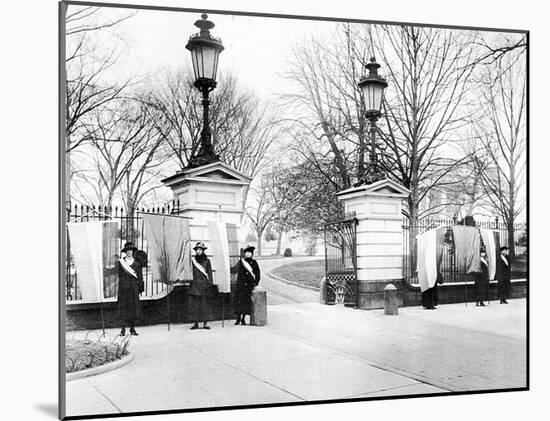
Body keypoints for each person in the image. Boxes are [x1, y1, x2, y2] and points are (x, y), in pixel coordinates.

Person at [118, 242, 144, 336]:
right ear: (125, 252)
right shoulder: (121, 263)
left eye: (131, 250)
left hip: (133, 289)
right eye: (128, 250)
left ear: (133, 252)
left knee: (133, 308)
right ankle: (123, 329)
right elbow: (119, 275)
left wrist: (140, 287)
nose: (129, 252)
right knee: (124, 308)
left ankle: (132, 329)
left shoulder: (137, 263)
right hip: (124, 288)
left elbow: (140, 277)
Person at [232, 245, 261, 325]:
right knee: (239, 302)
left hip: (248, 286)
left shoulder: (254, 263)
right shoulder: (241, 262)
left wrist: (255, 283)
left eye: (249, 252)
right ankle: (238, 318)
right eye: (247, 252)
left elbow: (257, 274)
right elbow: (234, 270)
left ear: (252, 254)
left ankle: (243, 319)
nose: (248, 254)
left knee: (246, 303)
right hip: (240, 286)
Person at [190, 242, 214, 330]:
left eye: (200, 249)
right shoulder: (193, 261)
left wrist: (210, 284)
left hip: (204, 285)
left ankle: (205, 323)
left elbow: (210, 273)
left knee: (204, 305)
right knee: (195, 305)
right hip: (195, 285)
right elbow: (191, 272)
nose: (199, 251)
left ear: (203, 251)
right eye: (197, 250)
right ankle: (195, 323)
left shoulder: (207, 261)